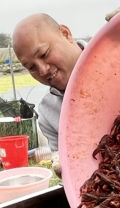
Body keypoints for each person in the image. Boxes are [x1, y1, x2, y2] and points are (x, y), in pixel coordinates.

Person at [12, 14, 85, 157]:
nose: (43, 70)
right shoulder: (48, 114)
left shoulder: (118, 53)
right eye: (32, 67)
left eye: (44, 54)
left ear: (65, 34)